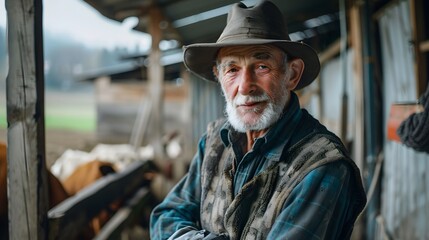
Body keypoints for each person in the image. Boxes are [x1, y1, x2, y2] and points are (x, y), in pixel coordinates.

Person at [150, 1, 367, 239]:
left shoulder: (322, 165)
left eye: (262, 66)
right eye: (232, 70)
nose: (245, 86)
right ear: (219, 76)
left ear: (291, 74)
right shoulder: (214, 142)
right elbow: (165, 217)